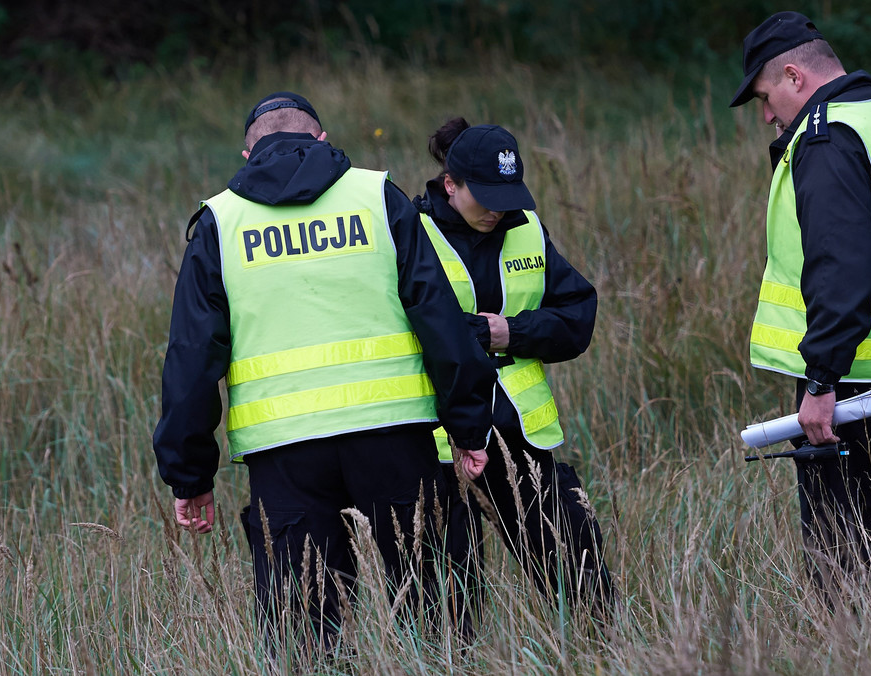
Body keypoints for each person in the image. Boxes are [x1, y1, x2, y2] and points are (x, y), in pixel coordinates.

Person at [151, 92, 496, 652]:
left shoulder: (222, 222)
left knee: (304, 636)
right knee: (437, 618)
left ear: (247, 153)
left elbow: (191, 358)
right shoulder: (375, 196)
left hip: (285, 454)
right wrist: (468, 426)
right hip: (395, 437)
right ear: (321, 139)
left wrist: (190, 476)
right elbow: (439, 319)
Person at [731, 12, 871, 602]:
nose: (768, 116)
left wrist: (821, 377)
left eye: (765, 97)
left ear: (795, 76)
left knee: (842, 568)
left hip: (855, 384)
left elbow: (841, 269)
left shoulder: (827, 138)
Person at [413, 118, 615, 626]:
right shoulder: (410, 235)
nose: (498, 209)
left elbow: (577, 318)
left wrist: (510, 332)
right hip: (435, 444)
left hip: (519, 437)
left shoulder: (526, 229)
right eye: (486, 196)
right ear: (450, 184)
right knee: (447, 603)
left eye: (508, 194)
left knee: (582, 579)